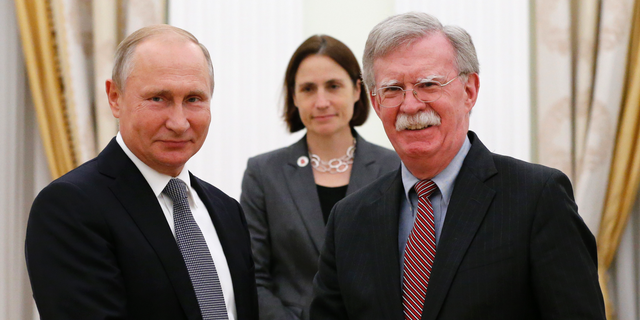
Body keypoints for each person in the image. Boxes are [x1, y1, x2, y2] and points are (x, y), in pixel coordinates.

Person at [310, 12, 606, 320]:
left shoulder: (537, 199)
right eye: (393, 90)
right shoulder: (348, 220)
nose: (410, 105)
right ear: (375, 102)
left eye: (427, 85)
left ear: (469, 91)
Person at [25, 25, 258, 320]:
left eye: (193, 99)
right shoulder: (70, 206)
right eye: (158, 98)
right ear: (115, 98)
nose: (179, 122)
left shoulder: (227, 211)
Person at [240, 34, 399, 320]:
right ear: (294, 96)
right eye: (308, 89)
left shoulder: (395, 168)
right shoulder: (264, 174)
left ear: (356, 90)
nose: (321, 101)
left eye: (333, 86)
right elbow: (253, 277)